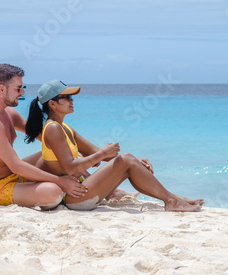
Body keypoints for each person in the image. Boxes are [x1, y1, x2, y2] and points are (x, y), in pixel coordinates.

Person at [25, 79, 204, 212]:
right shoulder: (53, 129)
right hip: (72, 197)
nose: (72, 100)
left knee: (128, 162)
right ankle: (172, 201)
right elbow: (70, 168)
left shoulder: (65, 128)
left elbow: (96, 151)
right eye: (67, 97)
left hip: (79, 191)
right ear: (53, 104)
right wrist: (104, 154)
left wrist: (134, 159)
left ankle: (172, 198)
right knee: (125, 160)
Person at [0, 64, 88, 209]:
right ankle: (70, 188)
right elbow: (16, 165)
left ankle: (90, 183)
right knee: (53, 192)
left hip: (12, 176)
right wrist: (60, 181)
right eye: (18, 88)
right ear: (1, 89)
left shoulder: (9, 113)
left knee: (57, 154)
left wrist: (77, 158)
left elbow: (45, 137)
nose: (22, 92)